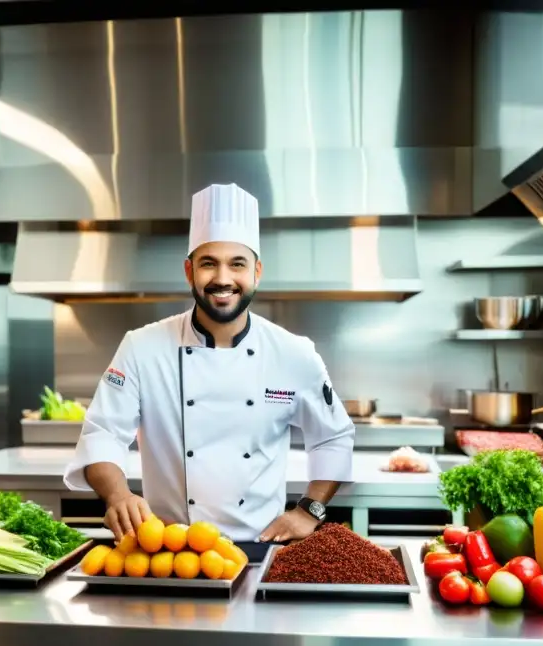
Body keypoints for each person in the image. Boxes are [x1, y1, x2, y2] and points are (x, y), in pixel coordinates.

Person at [63, 183, 355, 543]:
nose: (222, 279)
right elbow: (103, 433)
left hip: (259, 547)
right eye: (208, 264)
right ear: (189, 272)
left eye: (237, 264)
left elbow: (333, 437)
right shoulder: (141, 348)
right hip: (169, 552)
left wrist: (309, 510)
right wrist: (117, 494)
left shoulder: (293, 353)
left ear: (256, 272)